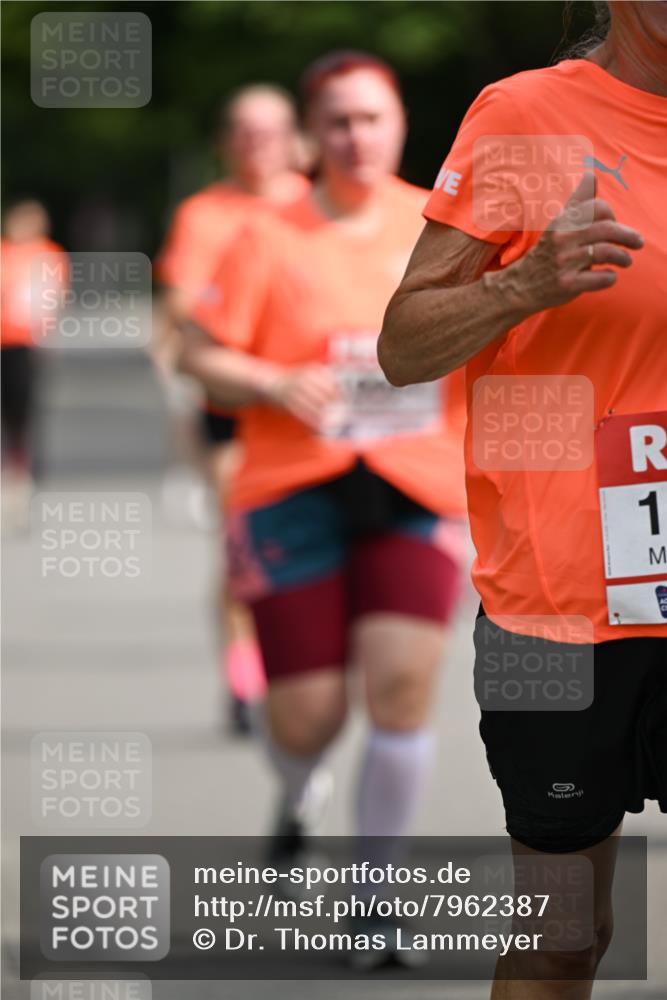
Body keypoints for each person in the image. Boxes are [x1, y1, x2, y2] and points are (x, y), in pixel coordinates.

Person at [379, 2, 666, 996]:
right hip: (555, 608)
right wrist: (522, 284)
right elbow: (403, 345)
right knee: (561, 937)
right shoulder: (526, 117)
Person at [180, 50, 469, 968]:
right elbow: (196, 352)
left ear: (400, 126)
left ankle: (375, 904)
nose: (356, 136)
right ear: (313, 134)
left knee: (399, 690)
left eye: (372, 118)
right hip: (292, 486)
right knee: (306, 717)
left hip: (416, 485)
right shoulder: (267, 235)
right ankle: (297, 784)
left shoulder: (445, 224)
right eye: (337, 121)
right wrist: (271, 379)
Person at [155, 84, 310, 734]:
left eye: (270, 131)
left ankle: (308, 664)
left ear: (295, 138)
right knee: (244, 544)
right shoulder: (203, 214)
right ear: (226, 141)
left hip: (313, 403)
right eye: (244, 131)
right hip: (231, 402)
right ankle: (245, 678)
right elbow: (179, 311)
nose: (257, 145)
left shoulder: (319, 206)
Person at [1, 200, 67, 530]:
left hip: (24, 343)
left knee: (21, 414)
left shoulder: (47, 255)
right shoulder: (3, 253)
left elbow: (49, 299)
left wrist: (45, 335)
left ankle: (22, 480)